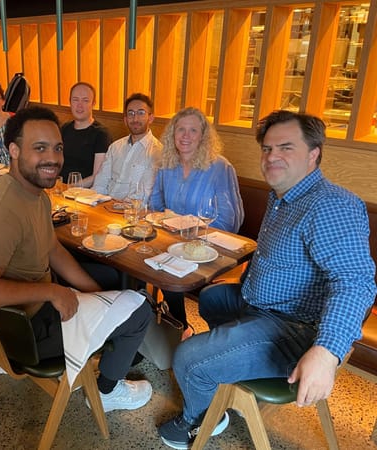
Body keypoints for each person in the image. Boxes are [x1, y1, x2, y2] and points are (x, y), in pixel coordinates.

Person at [158, 110, 376, 449]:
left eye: (286, 147)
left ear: (313, 154)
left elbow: (356, 281)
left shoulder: (331, 205)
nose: (272, 156)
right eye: (267, 149)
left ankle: (197, 420)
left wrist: (326, 351)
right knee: (213, 298)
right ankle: (227, 369)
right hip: (262, 305)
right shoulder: (282, 195)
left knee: (188, 357)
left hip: (296, 327)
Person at [0, 106, 155, 412]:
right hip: (25, 333)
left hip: (34, 312)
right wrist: (53, 291)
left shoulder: (34, 193)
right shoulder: (0, 209)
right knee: (142, 312)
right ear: (13, 150)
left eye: (57, 147)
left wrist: (94, 292)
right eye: (40, 148)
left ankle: (112, 348)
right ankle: (106, 392)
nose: (53, 158)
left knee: (114, 282)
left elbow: (53, 249)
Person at [150, 107, 244, 339]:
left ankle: (180, 327)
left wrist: (191, 234)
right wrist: (166, 222)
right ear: (172, 134)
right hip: (172, 240)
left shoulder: (220, 167)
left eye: (193, 130)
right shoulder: (166, 163)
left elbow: (230, 220)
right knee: (146, 258)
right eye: (180, 129)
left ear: (203, 136)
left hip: (208, 246)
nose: (186, 135)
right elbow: (154, 203)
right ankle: (157, 324)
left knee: (166, 269)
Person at [92, 93, 162, 200]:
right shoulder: (115, 147)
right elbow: (100, 183)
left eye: (141, 113)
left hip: (131, 212)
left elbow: (144, 196)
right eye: (131, 113)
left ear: (151, 118)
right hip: (104, 206)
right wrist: (95, 202)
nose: (135, 119)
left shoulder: (157, 152)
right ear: (125, 120)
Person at [59, 82, 112, 187]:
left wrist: (70, 187)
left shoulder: (101, 134)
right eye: (75, 100)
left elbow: (98, 176)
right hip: (60, 188)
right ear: (70, 102)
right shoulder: (64, 129)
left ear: (93, 103)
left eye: (85, 100)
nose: (79, 105)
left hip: (84, 194)